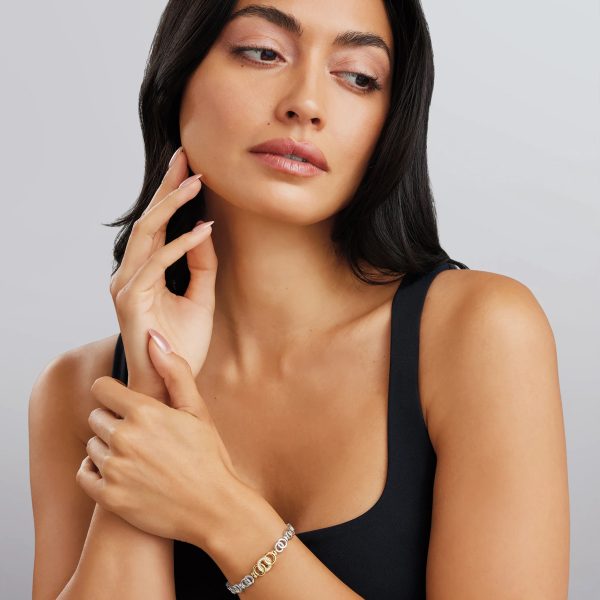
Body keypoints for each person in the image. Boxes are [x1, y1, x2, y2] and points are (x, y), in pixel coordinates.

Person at [28, 1, 570, 598]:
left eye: (358, 77)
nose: (306, 104)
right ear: (177, 76)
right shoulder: (78, 391)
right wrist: (150, 395)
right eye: (263, 53)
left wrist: (221, 513)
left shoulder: (479, 332)